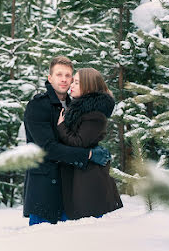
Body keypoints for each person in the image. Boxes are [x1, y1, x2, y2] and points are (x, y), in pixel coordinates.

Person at [23, 56, 111, 226]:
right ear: (50, 78)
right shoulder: (38, 106)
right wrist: (89, 155)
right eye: (59, 74)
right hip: (45, 188)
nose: (64, 79)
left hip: (70, 188)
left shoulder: (75, 105)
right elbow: (48, 148)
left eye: (68, 75)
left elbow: (82, 137)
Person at [57, 68, 123, 220]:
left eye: (77, 82)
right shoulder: (79, 109)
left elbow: (78, 142)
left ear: (88, 86)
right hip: (80, 171)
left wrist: (61, 126)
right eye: (73, 81)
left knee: (88, 226)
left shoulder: (95, 114)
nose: (71, 85)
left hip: (88, 177)